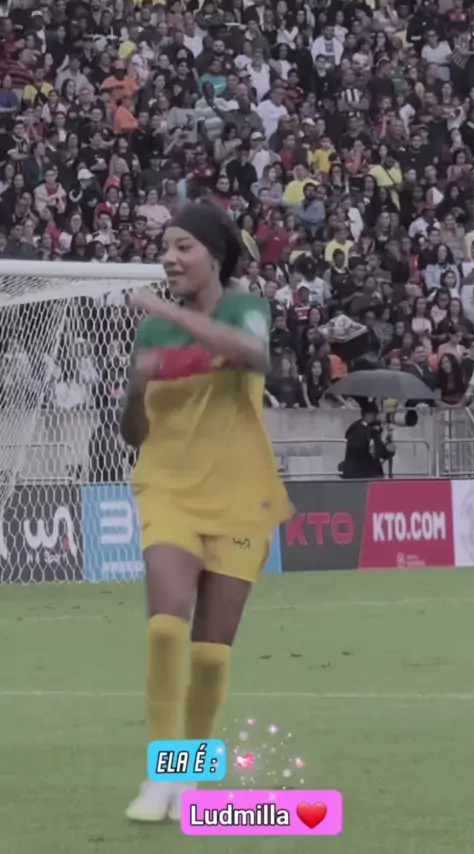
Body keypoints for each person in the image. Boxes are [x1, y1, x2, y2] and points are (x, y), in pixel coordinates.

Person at [120, 201, 292, 822]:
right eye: (164, 248)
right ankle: (159, 774)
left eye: (183, 246)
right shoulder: (151, 333)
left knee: (211, 655)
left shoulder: (246, 308)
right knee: (166, 627)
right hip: (167, 487)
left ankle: (188, 774)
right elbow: (132, 432)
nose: (169, 258)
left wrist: (165, 310)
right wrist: (136, 387)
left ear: (214, 256)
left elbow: (254, 356)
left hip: (239, 494)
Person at [340, 401, 395, 479]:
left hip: (352, 474)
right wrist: (389, 450)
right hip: (367, 474)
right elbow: (379, 451)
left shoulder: (354, 428)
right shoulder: (369, 431)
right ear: (371, 415)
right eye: (376, 414)